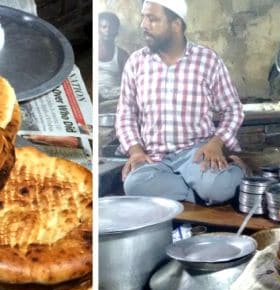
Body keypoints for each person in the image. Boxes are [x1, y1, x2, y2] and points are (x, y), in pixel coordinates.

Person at [115, 0, 245, 205]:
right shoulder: (136, 62)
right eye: (143, 17)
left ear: (176, 24)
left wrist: (216, 143)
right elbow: (125, 115)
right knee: (134, 185)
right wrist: (136, 151)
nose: (143, 25)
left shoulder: (207, 60)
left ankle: (235, 170)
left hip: (196, 154)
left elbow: (233, 110)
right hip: (154, 159)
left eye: (152, 19)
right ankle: (201, 193)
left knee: (217, 188)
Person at [99, 11, 129, 102]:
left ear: (117, 31)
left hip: (113, 99)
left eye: (112, 27)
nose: (108, 30)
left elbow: (129, 84)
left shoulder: (122, 56)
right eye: (104, 27)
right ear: (98, 29)